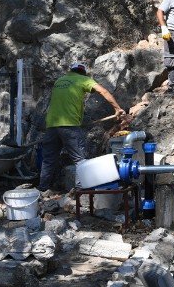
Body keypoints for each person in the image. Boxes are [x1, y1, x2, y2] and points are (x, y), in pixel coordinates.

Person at [38, 62, 124, 192]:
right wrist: (117, 108)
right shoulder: (83, 79)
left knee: (49, 159)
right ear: (83, 72)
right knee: (80, 159)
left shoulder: (59, 81)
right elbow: (103, 91)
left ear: (71, 71)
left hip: (52, 125)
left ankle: (43, 190)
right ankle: (79, 191)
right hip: (70, 125)